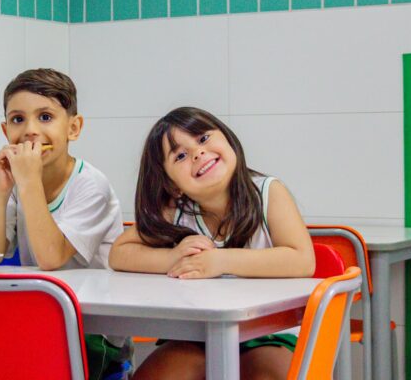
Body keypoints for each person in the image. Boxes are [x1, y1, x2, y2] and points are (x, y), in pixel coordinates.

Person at [109, 107, 315, 380]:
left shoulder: (268, 193)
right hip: (197, 335)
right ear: (173, 185)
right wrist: (173, 258)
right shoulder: (176, 210)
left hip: (271, 332)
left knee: (269, 373)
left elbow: (302, 260)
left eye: (203, 138)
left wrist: (221, 261)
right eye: (180, 156)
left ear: (228, 140)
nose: (197, 153)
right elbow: (119, 253)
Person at [0, 68, 129, 380]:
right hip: (41, 316)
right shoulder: (20, 184)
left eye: (45, 117)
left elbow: (51, 257)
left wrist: (28, 182)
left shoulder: (91, 185)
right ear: (5, 131)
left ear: (74, 128)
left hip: (95, 328)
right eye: (18, 119)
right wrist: (1, 190)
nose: (30, 130)